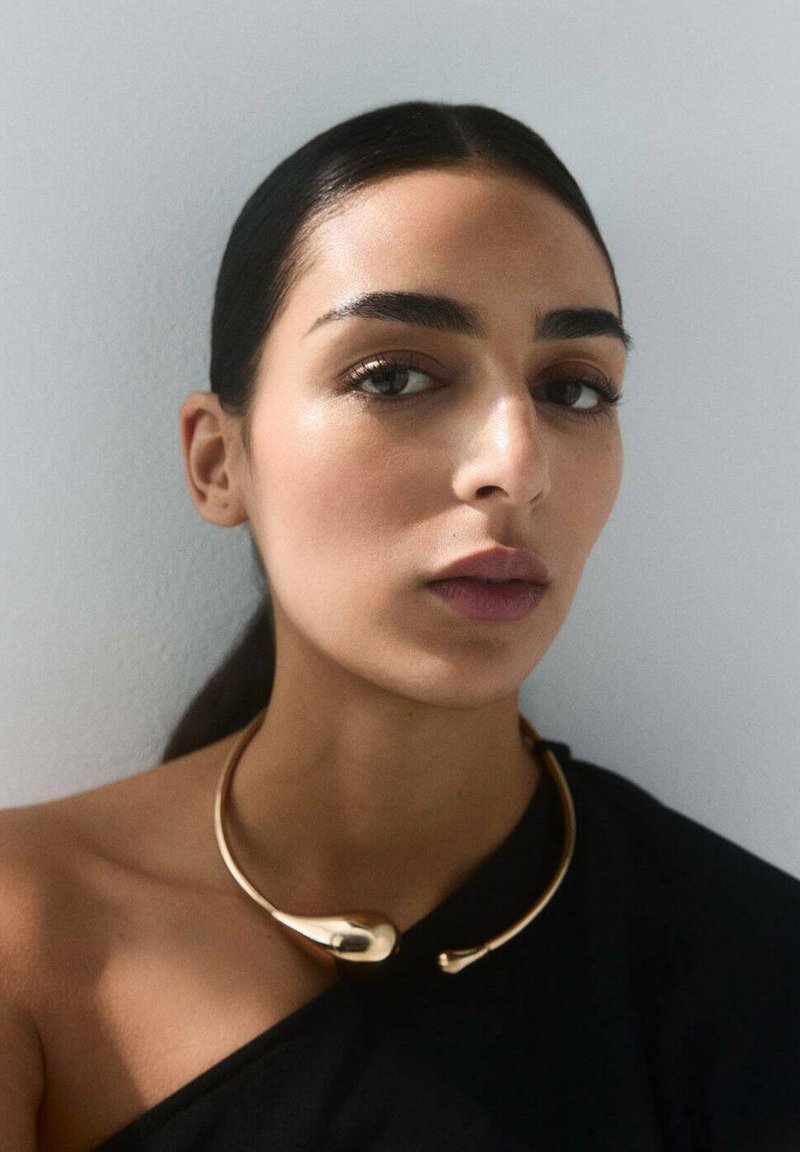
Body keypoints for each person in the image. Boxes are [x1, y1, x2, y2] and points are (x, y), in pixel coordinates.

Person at [1, 99, 798, 1152]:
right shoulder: (27, 930)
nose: (516, 466)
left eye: (572, 389)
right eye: (393, 376)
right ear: (217, 460)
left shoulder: (752, 972)